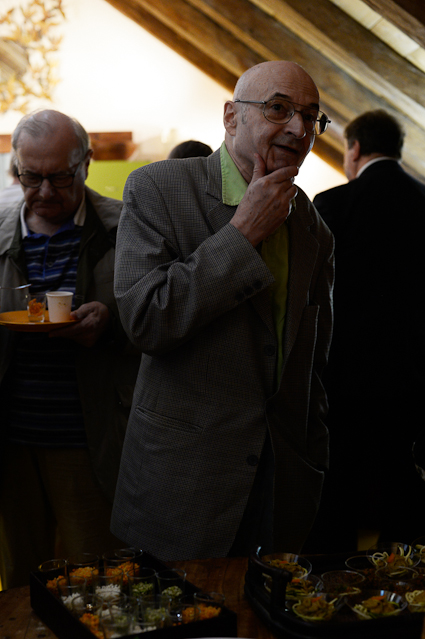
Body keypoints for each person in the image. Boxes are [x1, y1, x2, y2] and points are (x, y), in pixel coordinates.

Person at [111, 60, 334, 561]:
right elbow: (145, 320)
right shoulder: (157, 189)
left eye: (312, 117)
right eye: (280, 109)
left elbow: (312, 366)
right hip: (184, 488)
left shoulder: (313, 227)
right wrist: (242, 235)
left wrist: (311, 463)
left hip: (281, 491)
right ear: (232, 117)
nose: (299, 129)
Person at [0, 109, 140, 588]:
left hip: (89, 437)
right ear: (14, 169)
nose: (42, 192)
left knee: (96, 576)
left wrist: (112, 320)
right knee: (20, 581)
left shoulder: (124, 230)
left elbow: (160, 319)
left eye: (59, 178)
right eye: (30, 177)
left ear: (86, 164)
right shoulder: (1, 234)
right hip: (11, 440)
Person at [312, 109, 425, 550]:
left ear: (354, 149)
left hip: (346, 374)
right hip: (414, 377)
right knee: (404, 490)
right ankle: (398, 594)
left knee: (337, 488)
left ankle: (331, 590)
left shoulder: (334, 204)